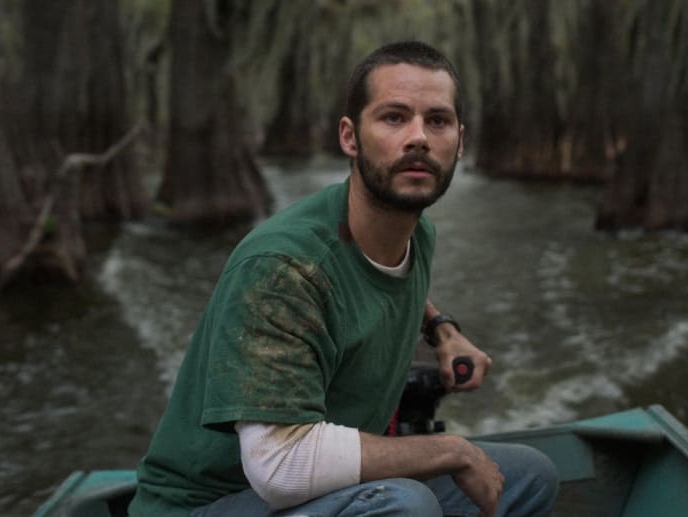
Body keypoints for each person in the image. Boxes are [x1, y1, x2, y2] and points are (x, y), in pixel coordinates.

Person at [127, 41, 558, 517]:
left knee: (530, 475)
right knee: (403, 504)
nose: (418, 137)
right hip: (208, 505)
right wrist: (451, 450)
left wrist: (442, 330)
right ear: (350, 137)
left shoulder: (417, 234)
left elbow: (380, 279)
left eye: (437, 120)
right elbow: (282, 467)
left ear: (460, 141)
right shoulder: (282, 268)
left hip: (316, 494)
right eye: (394, 117)